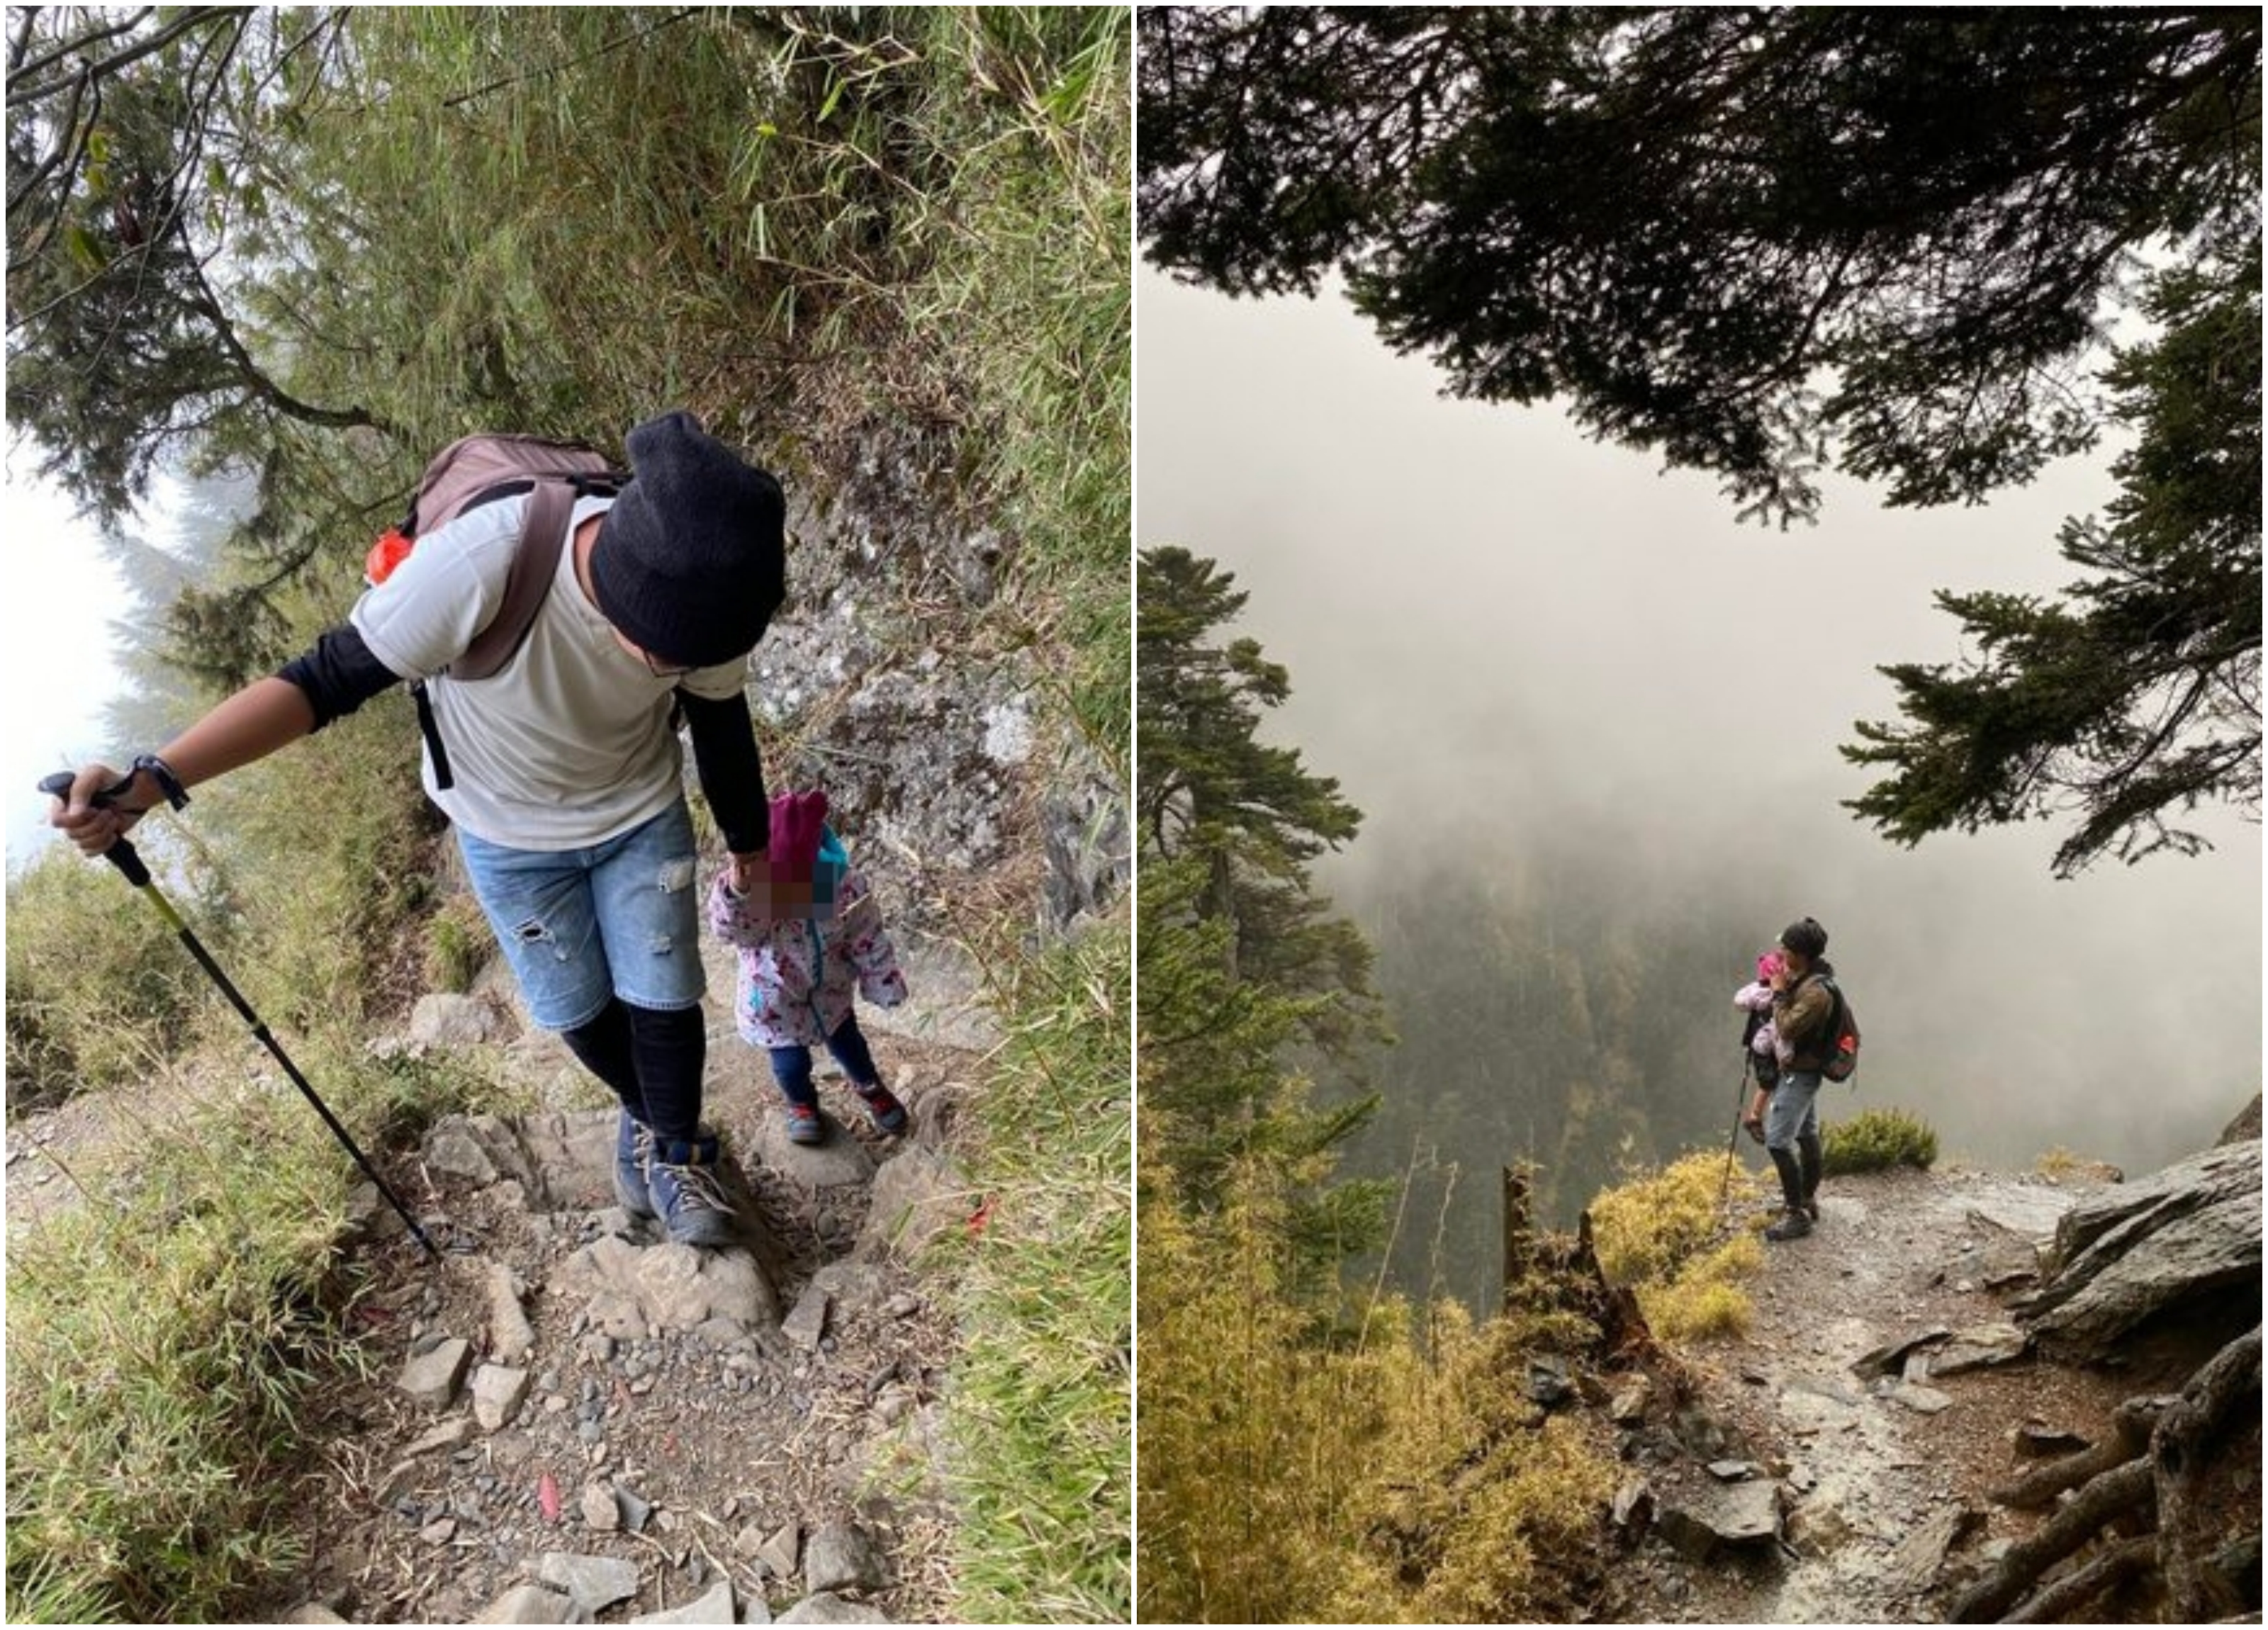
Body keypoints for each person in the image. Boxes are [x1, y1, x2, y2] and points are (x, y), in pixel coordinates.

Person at [50, 410, 784, 1250]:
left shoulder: (715, 597)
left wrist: (755, 854)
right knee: (573, 1010)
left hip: (636, 809)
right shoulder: (482, 561)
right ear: (617, 572)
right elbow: (322, 681)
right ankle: (645, 1117)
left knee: (665, 990)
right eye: (657, 651)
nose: (669, 669)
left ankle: (677, 1150)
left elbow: (723, 724)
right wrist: (150, 781)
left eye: (684, 659)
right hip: (505, 831)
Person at [706, 787, 911, 1146]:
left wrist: (883, 979)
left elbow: (866, 934)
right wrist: (739, 893)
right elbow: (733, 932)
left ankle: (870, 1087)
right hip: (773, 999)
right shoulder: (756, 891)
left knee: (851, 1046)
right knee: (790, 1064)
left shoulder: (839, 886)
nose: (794, 892)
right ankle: (801, 1104)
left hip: (829, 990)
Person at [1761, 916, 1836, 1240]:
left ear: (1802, 954)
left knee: (1778, 1141)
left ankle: (1797, 1214)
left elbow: (1788, 1027)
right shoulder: (1807, 979)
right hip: (1803, 1071)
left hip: (1801, 1075)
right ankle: (1806, 1199)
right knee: (1806, 1133)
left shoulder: (1816, 993)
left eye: (1786, 947)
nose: (1781, 951)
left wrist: (1778, 994)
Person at [1733, 950, 1783, 1143]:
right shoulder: (1773, 994)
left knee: (1770, 1081)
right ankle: (1755, 1117)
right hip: (1765, 1046)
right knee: (1768, 1081)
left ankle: (1758, 1116)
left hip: (1761, 1045)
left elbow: (1738, 1001)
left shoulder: (1754, 990)